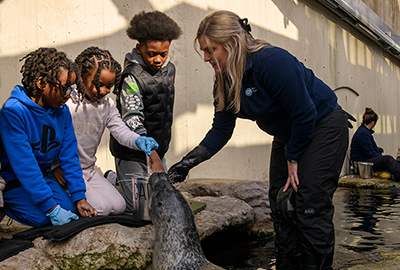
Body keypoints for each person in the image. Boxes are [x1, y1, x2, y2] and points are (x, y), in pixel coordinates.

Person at [168, 10, 350, 270]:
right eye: (204, 51)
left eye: (211, 50)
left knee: (309, 203)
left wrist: (293, 157)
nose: (206, 58)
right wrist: (188, 162)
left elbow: (305, 112)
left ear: (231, 43)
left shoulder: (270, 61)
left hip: (323, 124)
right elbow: (221, 130)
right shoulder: (225, 79)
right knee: (280, 202)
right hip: (290, 133)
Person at [51, 46, 161, 216]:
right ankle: (62, 196)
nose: (103, 91)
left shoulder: (106, 105)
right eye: (98, 85)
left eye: (109, 86)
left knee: (119, 206)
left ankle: (102, 181)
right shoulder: (68, 103)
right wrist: (55, 166)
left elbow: (121, 131)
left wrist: (138, 140)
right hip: (68, 171)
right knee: (102, 208)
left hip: (89, 169)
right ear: (81, 77)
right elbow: (52, 138)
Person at [0, 48, 97, 228]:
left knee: (71, 209)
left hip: (42, 178)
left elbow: (69, 156)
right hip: (13, 181)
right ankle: (6, 212)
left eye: (71, 88)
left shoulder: (62, 112)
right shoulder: (13, 111)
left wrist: (79, 197)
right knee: (42, 218)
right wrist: (50, 208)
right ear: (41, 83)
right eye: (64, 88)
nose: (68, 95)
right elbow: (25, 165)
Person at [110, 10, 182, 213]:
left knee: (160, 202)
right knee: (140, 209)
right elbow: (132, 118)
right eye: (152, 54)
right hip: (132, 151)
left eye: (163, 54)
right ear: (139, 48)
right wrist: (153, 157)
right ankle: (112, 179)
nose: (158, 59)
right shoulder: (131, 77)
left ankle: (124, 181)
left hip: (158, 148)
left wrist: (158, 154)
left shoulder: (170, 70)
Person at [350, 107, 400, 180]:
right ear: (373, 122)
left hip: (365, 160)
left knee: (395, 161)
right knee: (388, 159)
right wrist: (381, 158)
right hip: (361, 164)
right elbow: (369, 152)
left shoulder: (364, 132)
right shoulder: (363, 133)